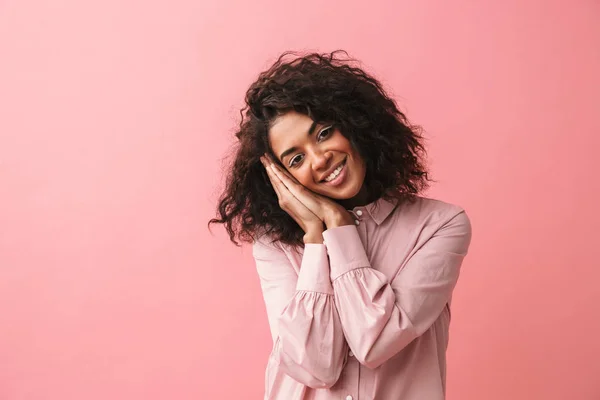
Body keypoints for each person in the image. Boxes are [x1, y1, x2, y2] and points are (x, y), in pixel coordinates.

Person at [209, 50, 473, 400]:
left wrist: (338, 224)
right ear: (280, 178)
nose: (320, 160)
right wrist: (316, 239)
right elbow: (314, 366)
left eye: (324, 133)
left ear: (356, 123)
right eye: (297, 158)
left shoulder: (439, 227)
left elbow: (375, 341)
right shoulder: (274, 245)